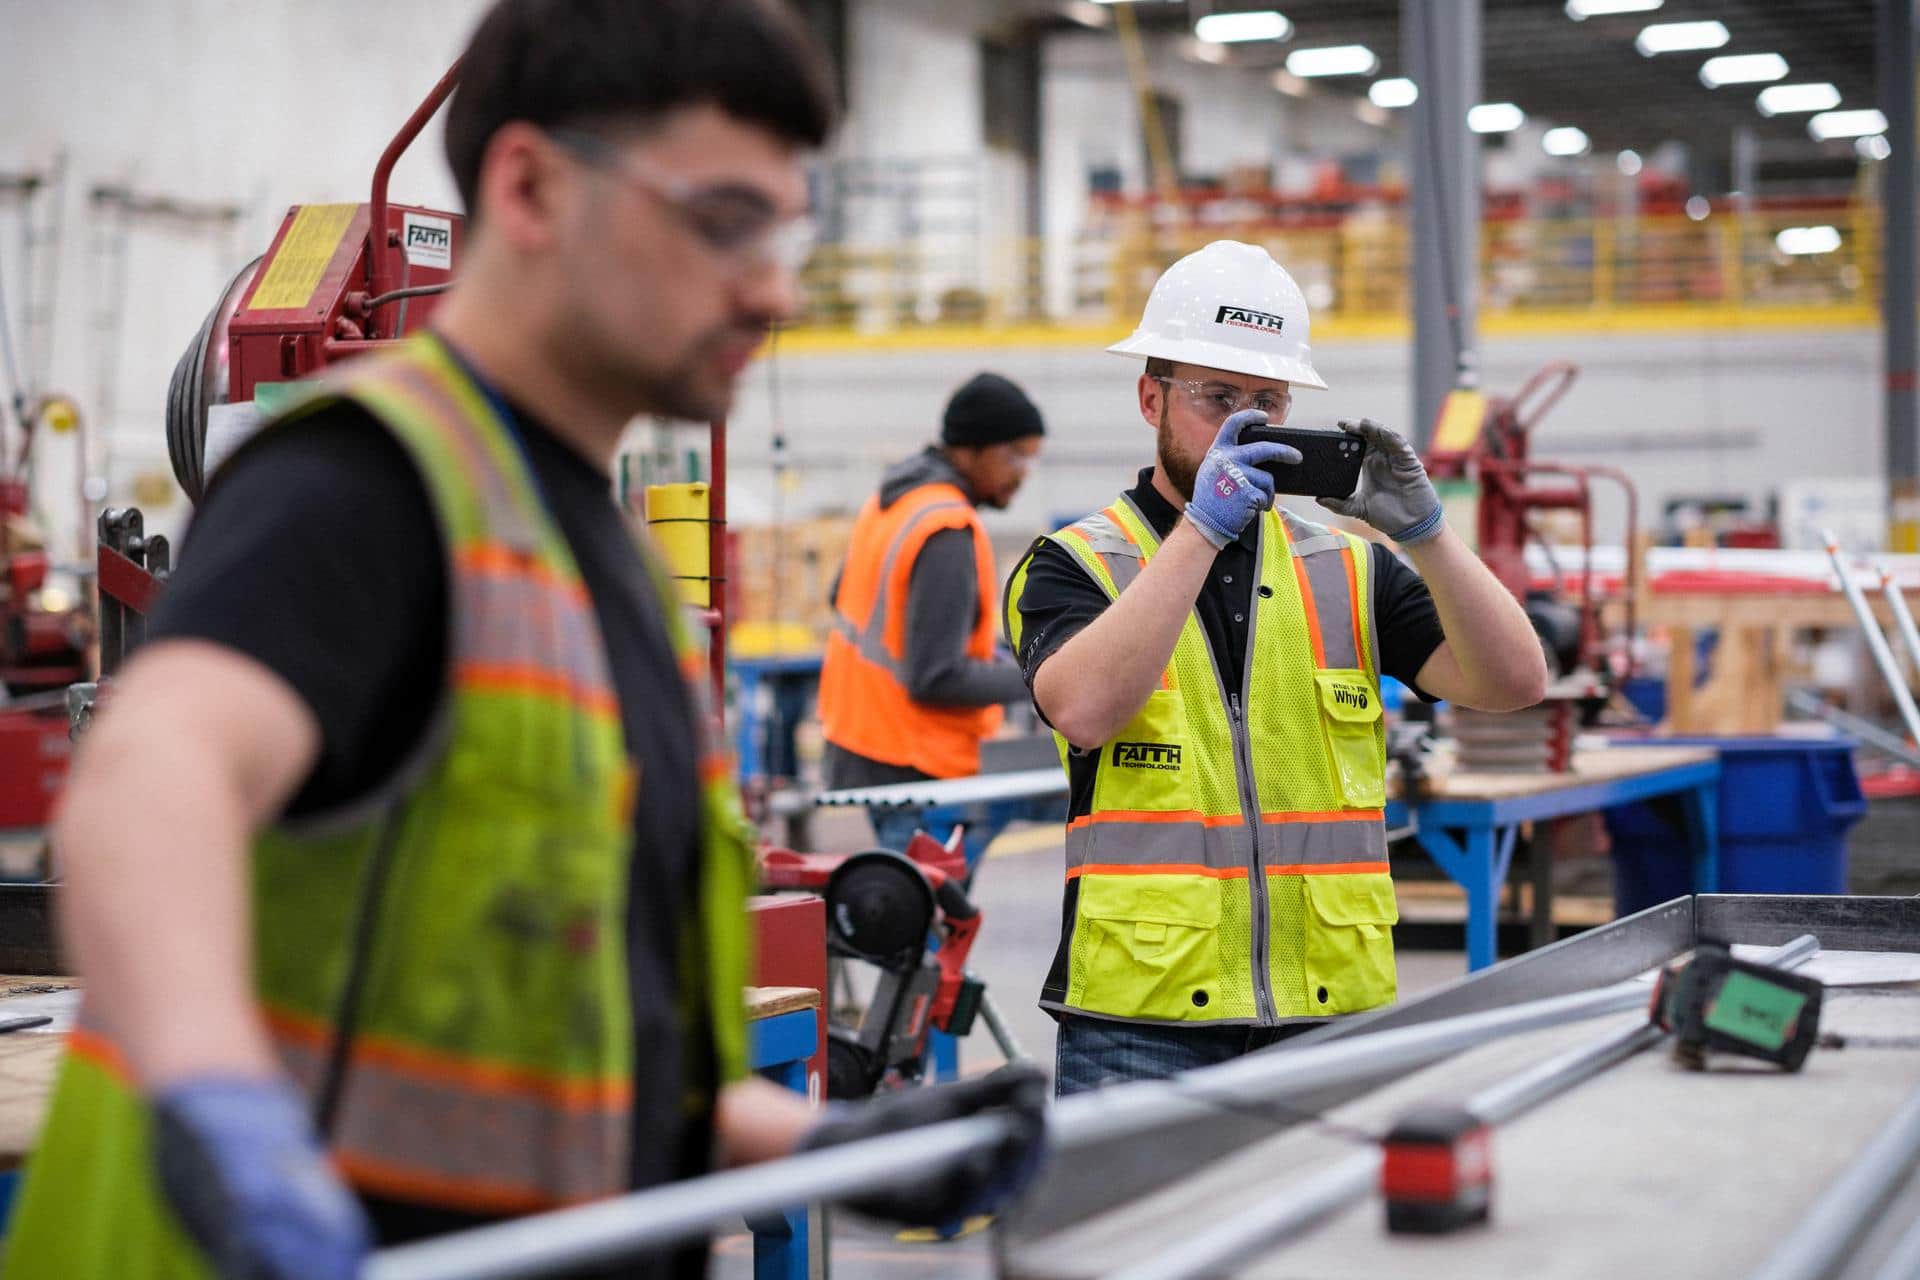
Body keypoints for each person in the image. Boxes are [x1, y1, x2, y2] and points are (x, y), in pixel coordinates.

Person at [5, 3, 1043, 1277]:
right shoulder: (365, 483)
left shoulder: (597, 569)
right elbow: (143, 786)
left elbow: (565, 1067)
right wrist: (216, 1095)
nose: (773, 287)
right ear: (534, 185)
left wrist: (828, 1145)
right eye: (725, 221)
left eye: (787, 228)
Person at [1003, 240, 1547, 1096]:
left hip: (1329, 1016)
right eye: (1216, 398)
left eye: (1266, 401)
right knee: (1134, 1237)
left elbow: (1515, 683)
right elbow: (1084, 708)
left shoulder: (1348, 569)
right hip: (1144, 1020)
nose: (1243, 423)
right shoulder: (1077, 562)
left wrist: (1427, 536)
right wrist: (1203, 531)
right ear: (1151, 398)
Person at [818, 372, 1044, 855]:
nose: (1023, 471)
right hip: (919, 770)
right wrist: (1044, 679)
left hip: (869, 747)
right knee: (928, 928)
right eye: (1013, 454)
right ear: (969, 449)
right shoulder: (946, 528)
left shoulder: (893, 502)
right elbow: (936, 676)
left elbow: (842, 596)